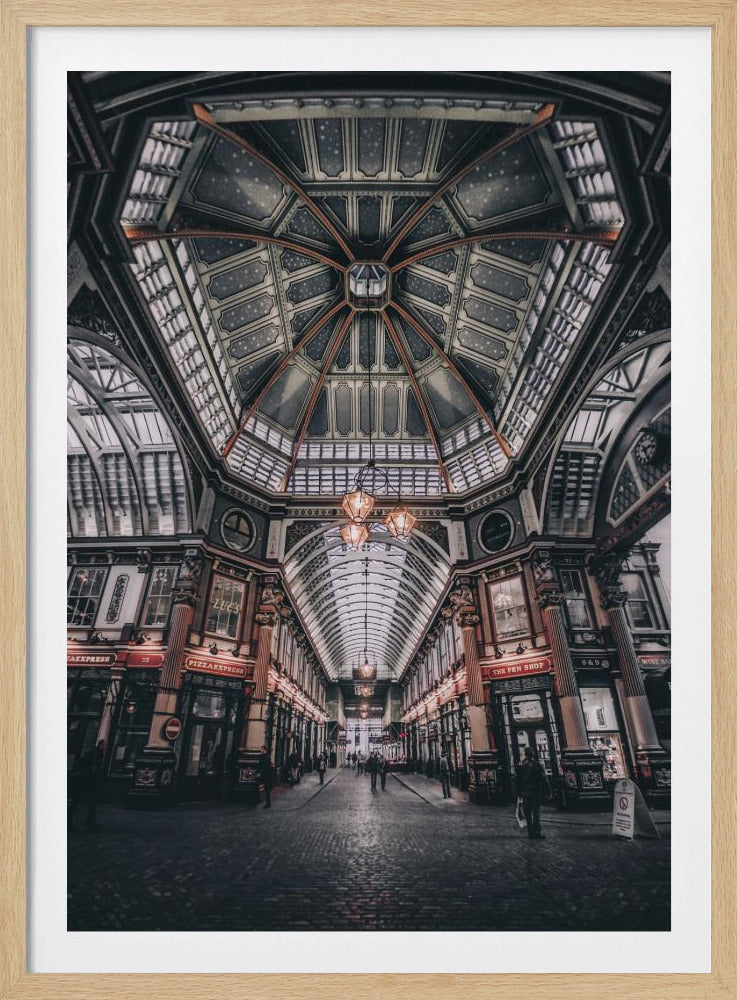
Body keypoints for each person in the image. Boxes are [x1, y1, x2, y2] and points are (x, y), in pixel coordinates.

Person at [68, 739, 106, 831]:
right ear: (100, 745)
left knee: (91, 802)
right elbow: (87, 765)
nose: (106, 747)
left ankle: (89, 823)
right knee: (77, 801)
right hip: (85, 780)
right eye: (105, 745)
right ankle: (69, 822)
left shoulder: (97, 754)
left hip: (89, 781)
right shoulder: (93, 754)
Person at [516, 746, 551, 839]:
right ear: (533, 754)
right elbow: (544, 779)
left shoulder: (521, 766)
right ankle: (536, 832)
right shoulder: (537, 765)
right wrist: (548, 791)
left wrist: (519, 792)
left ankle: (530, 831)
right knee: (536, 812)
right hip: (535, 792)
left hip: (525, 792)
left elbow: (518, 780)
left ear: (526, 754)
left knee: (527, 813)